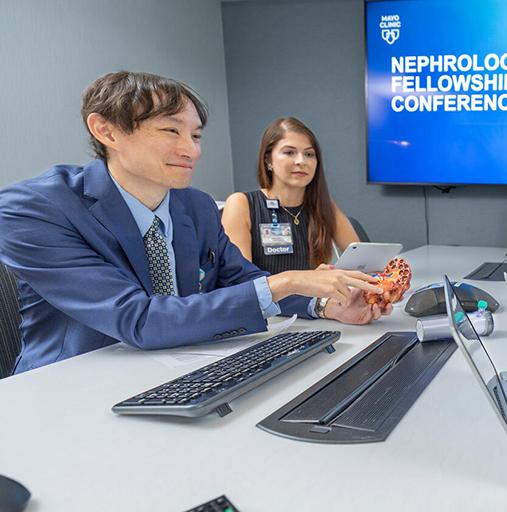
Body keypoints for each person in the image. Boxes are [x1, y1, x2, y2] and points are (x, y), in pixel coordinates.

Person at [0, 71, 390, 374]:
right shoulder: (35, 209)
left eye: (197, 135)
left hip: (179, 370)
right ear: (107, 130)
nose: (192, 150)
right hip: (69, 390)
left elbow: (242, 281)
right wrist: (288, 280)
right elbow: (138, 318)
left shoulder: (196, 206)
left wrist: (324, 305)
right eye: (171, 130)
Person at [221, 117, 362, 274]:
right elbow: (242, 282)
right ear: (268, 160)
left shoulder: (323, 205)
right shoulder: (242, 204)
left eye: (309, 154)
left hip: (318, 291)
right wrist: (309, 279)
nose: (301, 161)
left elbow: (363, 262)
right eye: (289, 152)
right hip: (271, 293)